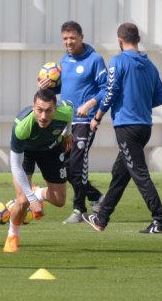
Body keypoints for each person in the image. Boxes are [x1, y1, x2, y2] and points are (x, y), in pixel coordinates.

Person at [82, 22, 162, 234]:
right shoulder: (150, 66)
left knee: (140, 174)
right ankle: (101, 218)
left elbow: (111, 92)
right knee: (120, 173)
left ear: (120, 41)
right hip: (144, 127)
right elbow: (160, 97)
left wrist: (98, 116)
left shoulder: (118, 62)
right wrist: (139, 101)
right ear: (138, 39)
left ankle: (161, 221)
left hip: (126, 126)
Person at [39, 21, 106, 224]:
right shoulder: (64, 61)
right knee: (64, 167)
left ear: (81, 37)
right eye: (65, 39)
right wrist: (46, 87)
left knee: (76, 165)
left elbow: (106, 89)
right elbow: (64, 89)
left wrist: (89, 105)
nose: (68, 42)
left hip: (86, 121)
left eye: (72, 38)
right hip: (65, 122)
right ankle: (95, 196)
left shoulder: (95, 60)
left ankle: (79, 209)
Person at [4, 89, 74, 252]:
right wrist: (31, 199)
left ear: (55, 109)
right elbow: (15, 165)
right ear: (33, 107)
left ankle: (38, 192)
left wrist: (68, 133)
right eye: (39, 110)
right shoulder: (22, 127)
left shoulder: (65, 112)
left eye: (48, 111)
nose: (43, 116)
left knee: (59, 201)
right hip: (26, 154)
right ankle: (12, 236)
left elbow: (70, 109)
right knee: (22, 201)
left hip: (52, 150)